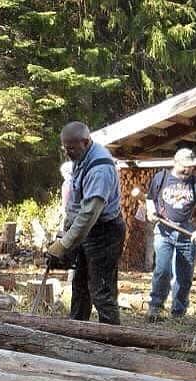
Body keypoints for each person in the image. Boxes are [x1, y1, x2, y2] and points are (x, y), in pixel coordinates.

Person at [46, 121, 124, 325]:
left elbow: (89, 214)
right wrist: (65, 232)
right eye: (65, 148)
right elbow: (75, 203)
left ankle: (111, 343)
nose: (67, 153)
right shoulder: (81, 159)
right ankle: (77, 332)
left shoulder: (100, 169)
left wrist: (64, 245)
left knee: (101, 290)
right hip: (86, 230)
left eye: (71, 148)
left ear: (86, 142)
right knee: (79, 285)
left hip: (105, 233)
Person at [145, 148, 196, 321]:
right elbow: (150, 198)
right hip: (164, 232)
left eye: (190, 167)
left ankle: (178, 312)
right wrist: (151, 211)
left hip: (186, 234)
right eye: (184, 166)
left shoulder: (195, 183)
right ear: (176, 162)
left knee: (185, 275)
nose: (188, 170)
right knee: (163, 270)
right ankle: (155, 308)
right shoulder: (161, 178)